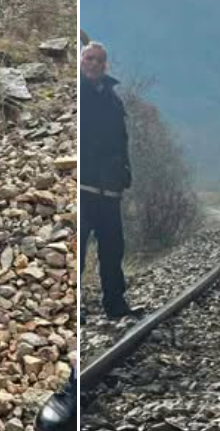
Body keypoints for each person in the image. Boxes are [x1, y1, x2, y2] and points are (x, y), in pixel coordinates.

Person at [79, 41, 136, 319]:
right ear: (80, 61)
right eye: (89, 59)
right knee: (76, 251)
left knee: (113, 251)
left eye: (99, 60)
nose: (93, 64)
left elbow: (121, 140)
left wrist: (124, 172)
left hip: (110, 189)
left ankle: (115, 305)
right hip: (83, 187)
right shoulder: (77, 94)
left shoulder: (114, 99)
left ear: (106, 64)